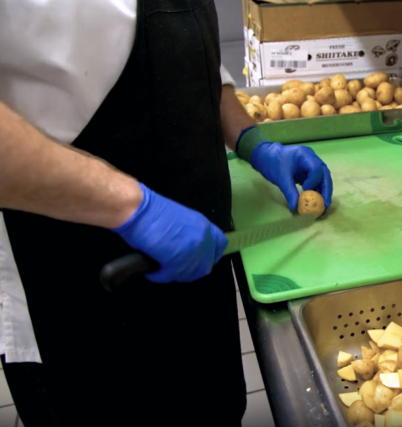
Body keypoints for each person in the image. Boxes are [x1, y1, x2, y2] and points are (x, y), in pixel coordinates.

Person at [0, 1, 332, 426]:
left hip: (195, 271)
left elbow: (190, 63)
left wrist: (251, 141)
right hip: (78, 289)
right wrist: (132, 209)